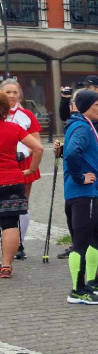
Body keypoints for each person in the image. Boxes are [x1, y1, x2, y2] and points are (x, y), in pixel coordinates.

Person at [63, 90, 98, 305]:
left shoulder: (82, 125)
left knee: (96, 237)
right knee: (81, 242)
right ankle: (77, 289)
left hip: (87, 193)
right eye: (97, 105)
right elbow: (72, 153)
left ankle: (92, 281)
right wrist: (80, 176)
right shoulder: (83, 127)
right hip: (83, 193)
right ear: (85, 107)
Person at [0, 89, 43, 278]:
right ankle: (6, 265)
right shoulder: (13, 128)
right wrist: (31, 169)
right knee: (10, 223)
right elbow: (38, 147)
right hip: (12, 180)